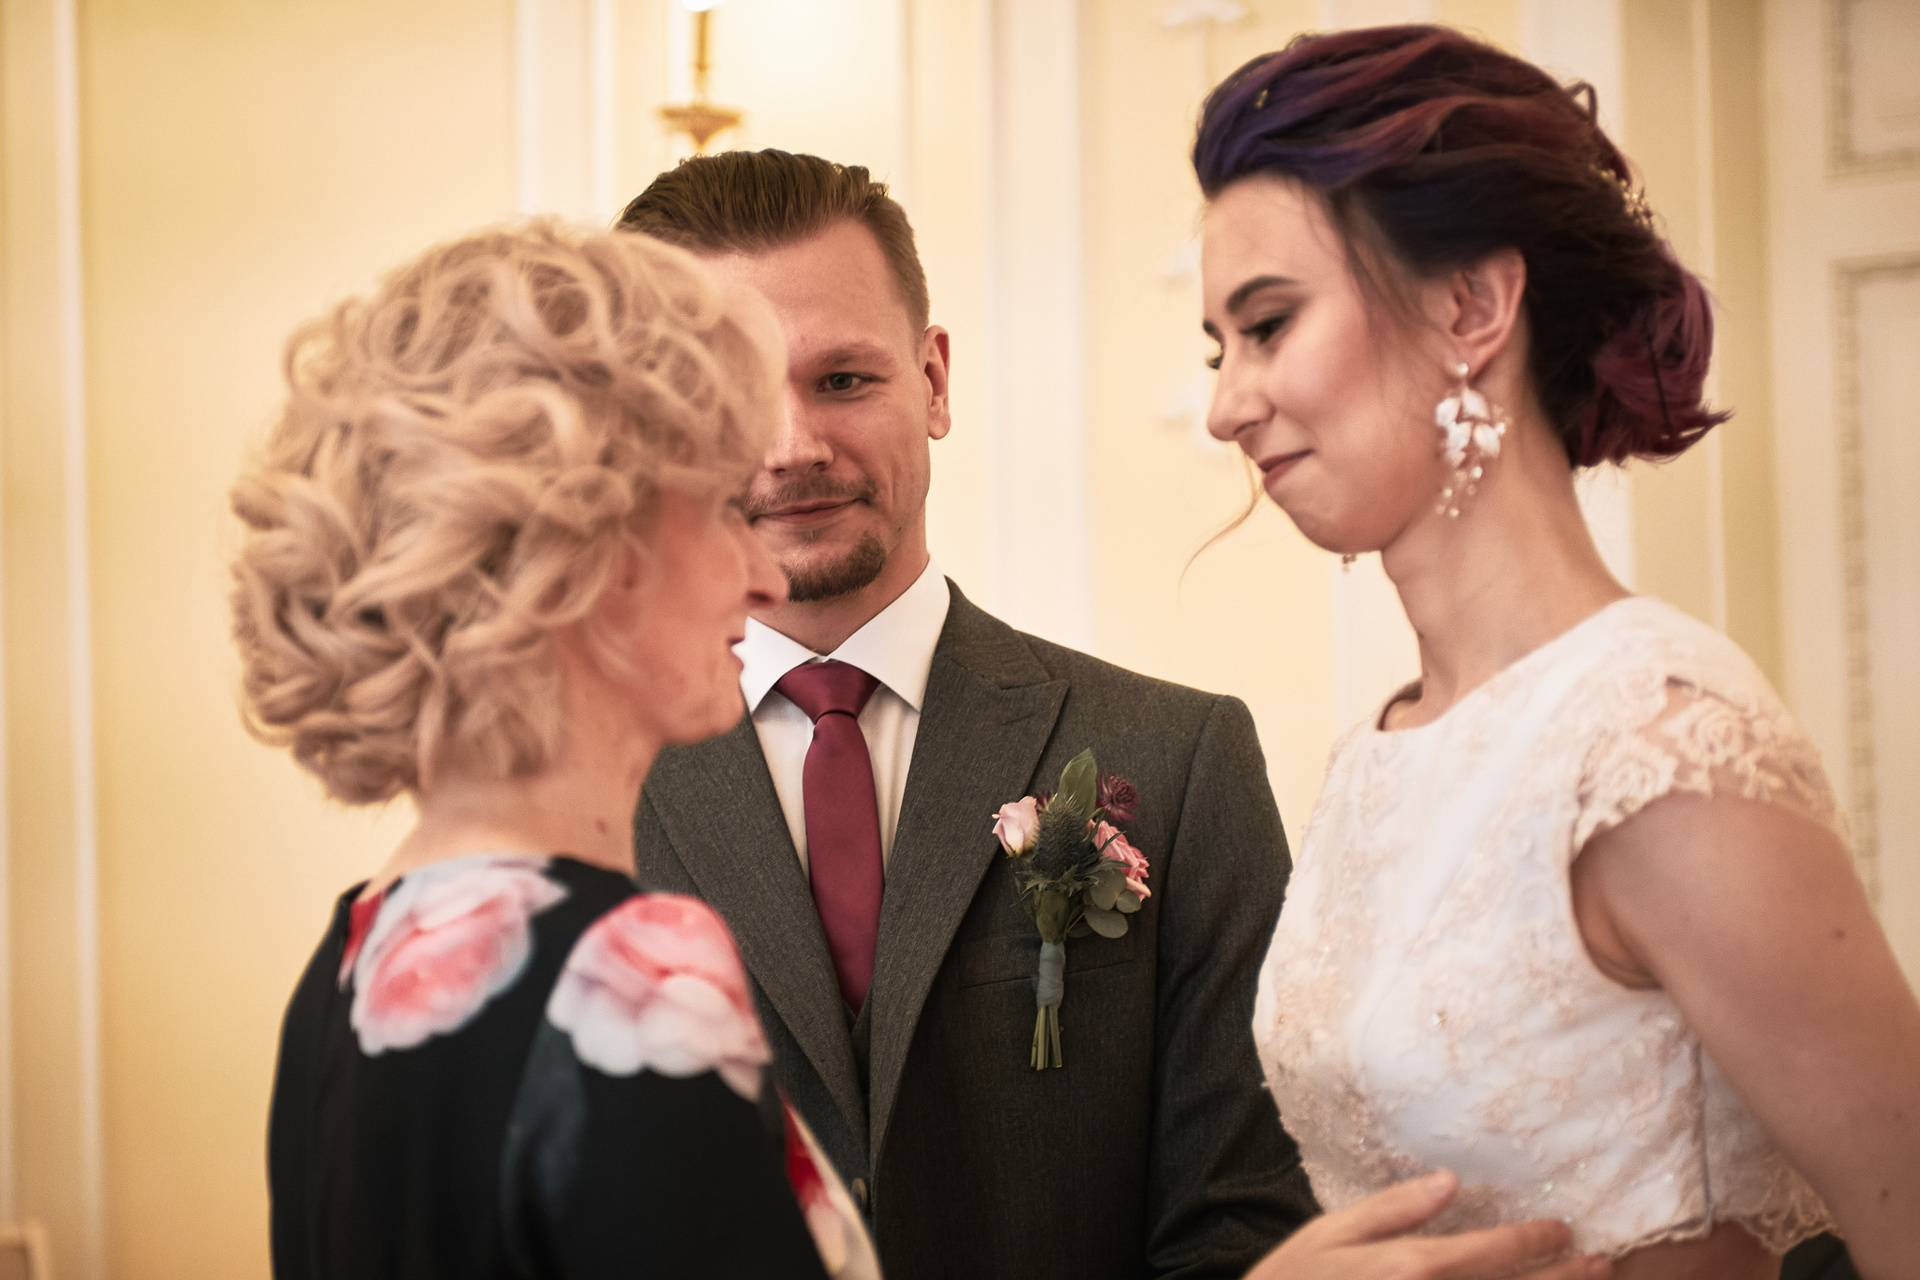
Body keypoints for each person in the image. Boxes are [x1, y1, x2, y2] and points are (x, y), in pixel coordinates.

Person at [618, 148, 1603, 1280]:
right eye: (732, 397)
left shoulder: (1178, 762)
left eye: (843, 380)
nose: (793, 445)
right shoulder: (574, 795)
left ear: (934, 381)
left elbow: (1241, 1230)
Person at [1192, 25, 1920, 1280]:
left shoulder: (1653, 740)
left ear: (1472, 306)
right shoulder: (1378, 750)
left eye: (1268, 324)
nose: (1224, 405)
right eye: (1220, 347)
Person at [238, 221, 879, 1278]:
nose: (764, 578)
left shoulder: (345, 962)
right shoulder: (630, 967)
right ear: (584, 546)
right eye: (724, 510)